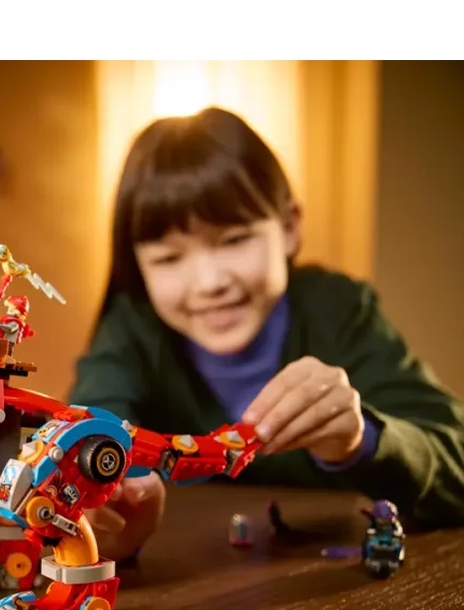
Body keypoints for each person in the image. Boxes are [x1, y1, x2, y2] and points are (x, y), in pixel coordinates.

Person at [69, 106, 464, 562]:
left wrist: (361, 439)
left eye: (234, 240)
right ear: (137, 266)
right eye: (168, 258)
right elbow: (80, 441)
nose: (209, 282)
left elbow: (455, 460)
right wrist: (104, 514)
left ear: (290, 227)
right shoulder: (131, 330)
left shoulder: (336, 312)